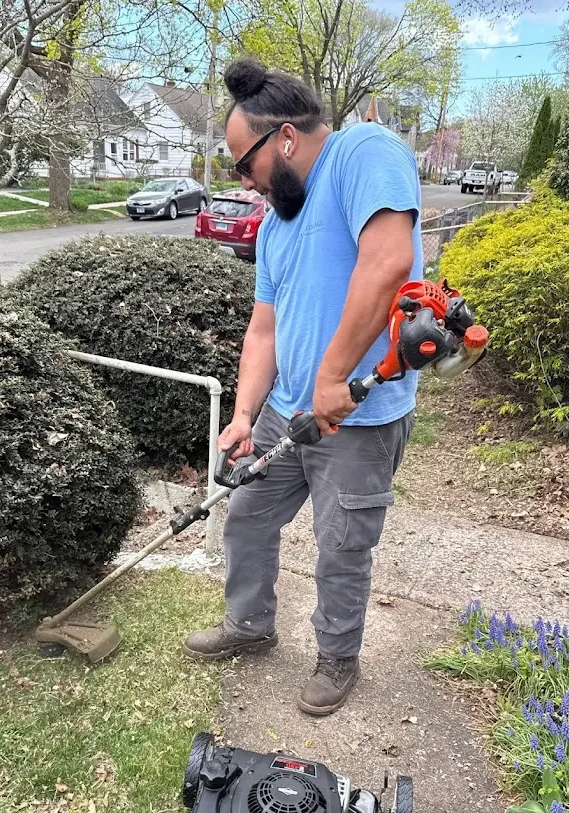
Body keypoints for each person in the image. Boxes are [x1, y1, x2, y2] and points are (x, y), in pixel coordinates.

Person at [184, 58, 423, 716]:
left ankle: (336, 657)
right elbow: (263, 331)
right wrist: (241, 417)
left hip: (358, 419)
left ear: (283, 138)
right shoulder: (273, 225)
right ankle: (249, 625)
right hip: (284, 413)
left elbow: (387, 261)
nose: (244, 182)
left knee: (341, 545)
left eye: (244, 165)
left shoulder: (362, 152)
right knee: (247, 516)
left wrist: (329, 378)